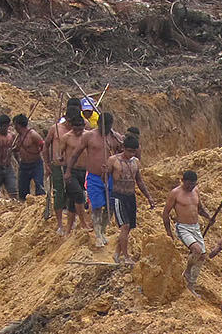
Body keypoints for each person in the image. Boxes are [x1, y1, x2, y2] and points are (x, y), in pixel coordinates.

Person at [67, 110, 115, 248]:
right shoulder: (89, 136)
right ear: (99, 124)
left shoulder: (113, 138)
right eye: (104, 126)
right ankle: (98, 234)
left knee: (110, 206)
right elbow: (76, 154)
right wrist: (68, 171)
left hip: (110, 177)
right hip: (94, 177)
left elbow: (122, 155)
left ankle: (103, 229)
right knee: (97, 206)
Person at [106, 133, 153, 264]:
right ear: (123, 148)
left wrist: (149, 197)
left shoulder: (136, 162)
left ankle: (116, 253)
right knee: (125, 226)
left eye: (134, 151)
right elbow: (104, 178)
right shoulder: (113, 160)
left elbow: (140, 181)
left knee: (129, 228)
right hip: (118, 196)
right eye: (129, 151)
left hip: (130, 197)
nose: (131, 154)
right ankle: (126, 256)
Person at [54, 107, 89, 235]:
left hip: (84, 170)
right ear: (72, 127)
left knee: (72, 200)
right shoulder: (66, 137)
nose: (78, 132)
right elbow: (60, 152)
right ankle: (83, 223)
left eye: (80, 129)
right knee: (79, 194)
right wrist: (60, 159)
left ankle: (68, 228)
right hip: (71, 170)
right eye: (76, 129)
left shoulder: (87, 136)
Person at [14, 113, 45, 204]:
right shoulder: (18, 137)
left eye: (15, 125)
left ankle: (40, 206)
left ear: (18, 125)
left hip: (36, 164)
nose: (14, 127)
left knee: (39, 186)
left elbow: (43, 145)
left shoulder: (33, 135)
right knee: (23, 189)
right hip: (24, 165)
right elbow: (16, 150)